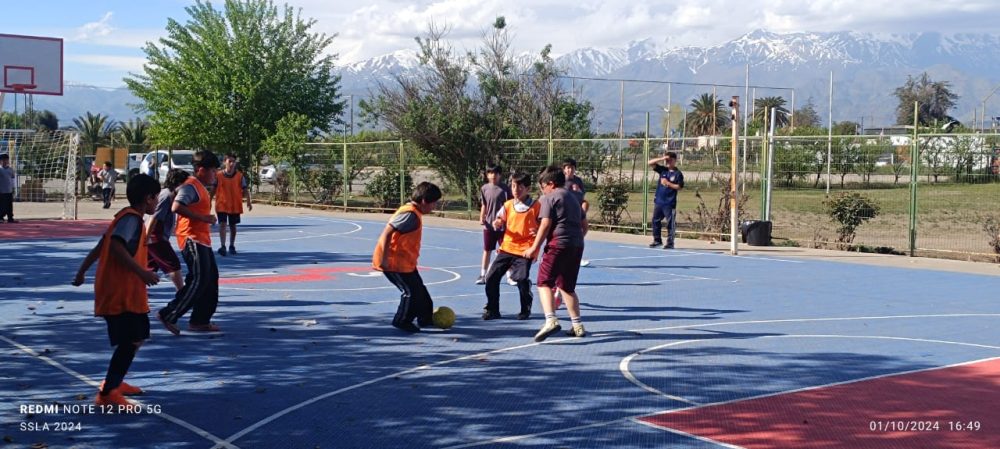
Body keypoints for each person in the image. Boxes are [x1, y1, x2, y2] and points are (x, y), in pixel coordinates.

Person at [71, 174, 161, 407]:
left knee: (136, 337)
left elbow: (101, 245)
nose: (157, 202)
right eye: (156, 197)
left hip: (123, 291)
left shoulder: (125, 218)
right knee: (132, 339)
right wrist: (142, 273)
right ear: (148, 198)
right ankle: (108, 392)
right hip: (120, 292)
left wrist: (82, 271)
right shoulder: (132, 221)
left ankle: (115, 381)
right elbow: (114, 247)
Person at [157, 150, 222, 335]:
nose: (214, 174)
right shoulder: (190, 186)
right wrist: (203, 217)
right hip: (191, 238)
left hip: (202, 240)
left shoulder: (200, 187)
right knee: (200, 280)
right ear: (201, 170)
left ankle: (200, 320)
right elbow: (176, 206)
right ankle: (169, 313)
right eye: (212, 170)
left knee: (210, 280)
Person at [524, 165, 586, 341]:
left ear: (550, 184)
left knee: (543, 282)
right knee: (567, 286)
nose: (541, 190)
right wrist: (574, 239)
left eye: (542, 186)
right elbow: (584, 225)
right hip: (576, 245)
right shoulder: (573, 198)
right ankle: (577, 325)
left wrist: (535, 248)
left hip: (558, 244)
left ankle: (550, 319)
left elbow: (545, 224)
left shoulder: (549, 198)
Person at [372, 182, 442, 333]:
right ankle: (401, 321)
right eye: (434, 204)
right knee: (411, 293)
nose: (434, 207)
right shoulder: (409, 214)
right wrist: (384, 260)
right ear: (424, 201)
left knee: (421, 293)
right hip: (392, 263)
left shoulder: (414, 213)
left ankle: (425, 318)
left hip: (405, 263)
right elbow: (386, 233)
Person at [482, 172, 540, 321]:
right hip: (507, 248)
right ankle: (492, 308)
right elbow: (500, 218)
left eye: (520, 187)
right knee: (491, 277)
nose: (516, 190)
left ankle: (525, 307)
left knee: (520, 278)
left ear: (528, 188)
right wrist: (497, 223)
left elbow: (544, 224)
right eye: (514, 186)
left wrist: (538, 230)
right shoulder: (508, 205)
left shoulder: (536, 206)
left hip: (525, 250)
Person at [146, 169, 190, 291]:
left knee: (149, 267)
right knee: (173, 264)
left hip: (155, 235)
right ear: (178, 183)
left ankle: (134, 290)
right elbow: (153, 218)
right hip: (155, 235)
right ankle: (181, 291)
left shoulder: (171, 195)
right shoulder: (166, 196)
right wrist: (146, 238)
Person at [477, 164, 511, 284]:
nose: (493, 176)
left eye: (496, 173)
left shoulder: (505, 189)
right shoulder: (484, 188)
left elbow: (509, 206)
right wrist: (482, 216)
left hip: (502, 226)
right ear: (487, 175)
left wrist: (505, 220)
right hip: (489, 226)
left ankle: (509, 276)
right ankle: (482, 275)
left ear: (500, 175)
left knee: (506, 251)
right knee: (487, 250)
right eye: (490, 173)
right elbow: (484, 204)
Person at [214, 153, 252, 256]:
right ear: (224, 162)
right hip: (222, 204)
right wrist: (208, 201)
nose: (231, 163)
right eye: (229, 161)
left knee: (232, 226)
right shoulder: (218, 175)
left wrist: (248, 201)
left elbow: (245, 189)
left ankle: (231, 245)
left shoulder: (239, 176)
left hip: (234, 204)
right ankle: (222, 246)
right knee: (222, 224)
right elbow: (213, 190)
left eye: (233, 161)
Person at [648, 151, 684, 249]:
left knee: (670, 223)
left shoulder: (678, 173)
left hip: (669, 203)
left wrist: (668, 183)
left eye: (670, 160)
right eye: (667, 160)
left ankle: (670, 242)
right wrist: (661, 158)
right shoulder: (663, 170)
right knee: (655, 221)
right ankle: (657, 240)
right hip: (659, 201)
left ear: (675, 160)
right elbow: (650, 163)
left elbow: (679, 187)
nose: (668, 162)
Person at [561, 158, 590, 267]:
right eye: (568, 168)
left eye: (572, 168)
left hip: (577, 213)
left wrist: (583, 208)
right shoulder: (562, 182)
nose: (570, 170)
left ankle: (576, 255)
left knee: (583, 230)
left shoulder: (578, 181)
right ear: (564, 170)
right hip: (566, 213)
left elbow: (582, 198)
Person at [0, 154, 16, 223]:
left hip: (9, 191)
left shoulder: (10, 169)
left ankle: (10, 218)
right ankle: (0, 217)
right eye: (3, 160)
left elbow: (12, 179)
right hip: (2, 191)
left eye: (6, 160)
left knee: (9, 205)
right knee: (2, 206)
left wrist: (13, 188)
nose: (5, 161)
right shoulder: (0, 170)